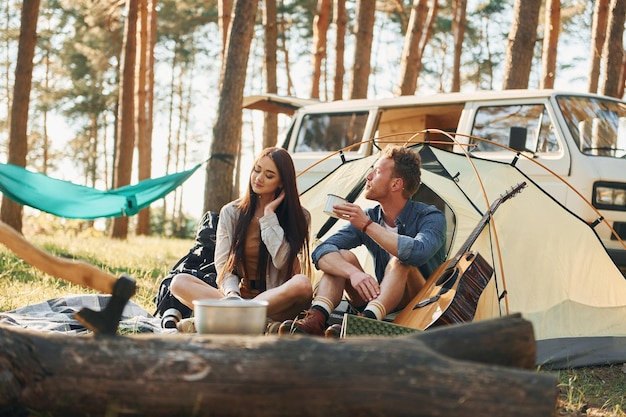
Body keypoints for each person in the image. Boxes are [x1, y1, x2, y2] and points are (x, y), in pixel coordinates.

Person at [279, 145, 446, 336]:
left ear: (396, 184)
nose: (368, 177)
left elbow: (417, 252)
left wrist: (366, 225)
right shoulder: (371, 216)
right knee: (340, 256)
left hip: (422, 306)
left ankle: (363, 324)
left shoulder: (431, 217)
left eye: (377, 172)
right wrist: (352, 273)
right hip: (380, 301)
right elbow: (321, 251)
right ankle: (316, 319)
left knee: (401, 260)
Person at [170, 147, 313, 332]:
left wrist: (269, 217)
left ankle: (226, 321)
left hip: (279, 303)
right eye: (257, 169)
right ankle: (260, 325)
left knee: (302, 283)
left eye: (269, 175)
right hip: (236, 299)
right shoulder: (231, 212)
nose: (259, 178)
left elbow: (282, 261)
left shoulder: (300, 217)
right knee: (178, 282)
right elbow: (223, 264)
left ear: (281, 183)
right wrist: (232, 295)